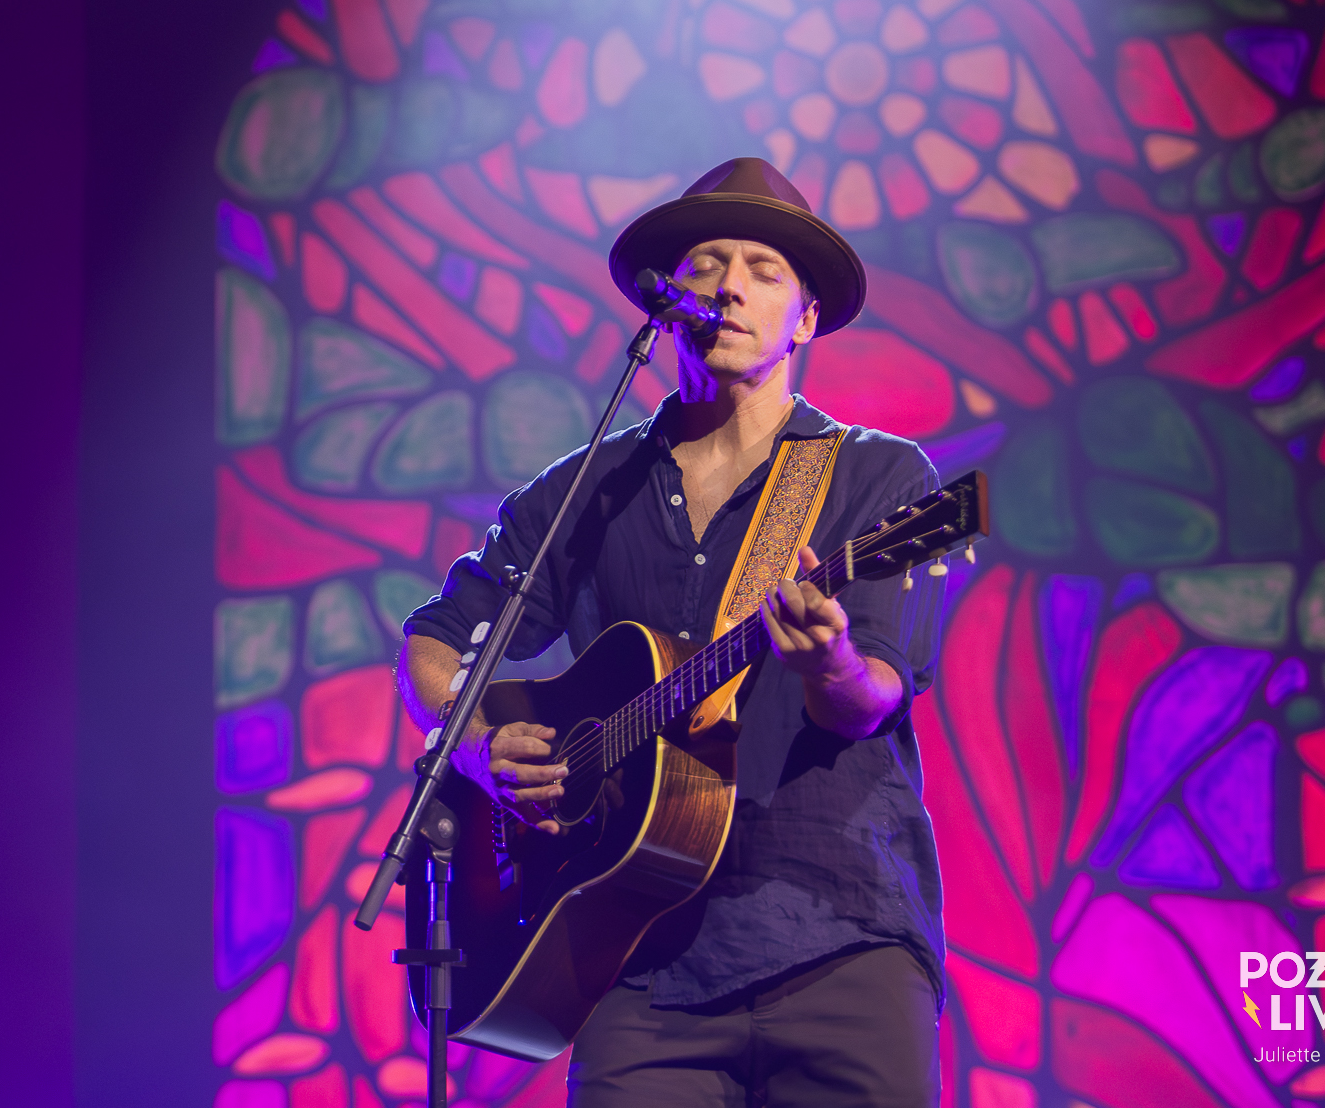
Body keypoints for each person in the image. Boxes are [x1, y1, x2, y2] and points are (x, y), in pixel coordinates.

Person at [395, 157, 946, 1106]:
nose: (730, 285)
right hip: (636, 968)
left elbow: (871, 700)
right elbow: (437, 642)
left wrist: (833, 660)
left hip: (837, 939)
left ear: (805, 319)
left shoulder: (878, 479)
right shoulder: (584, 491)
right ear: (665, 300)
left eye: (765, 270)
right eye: (705, 263)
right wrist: (476, 747)